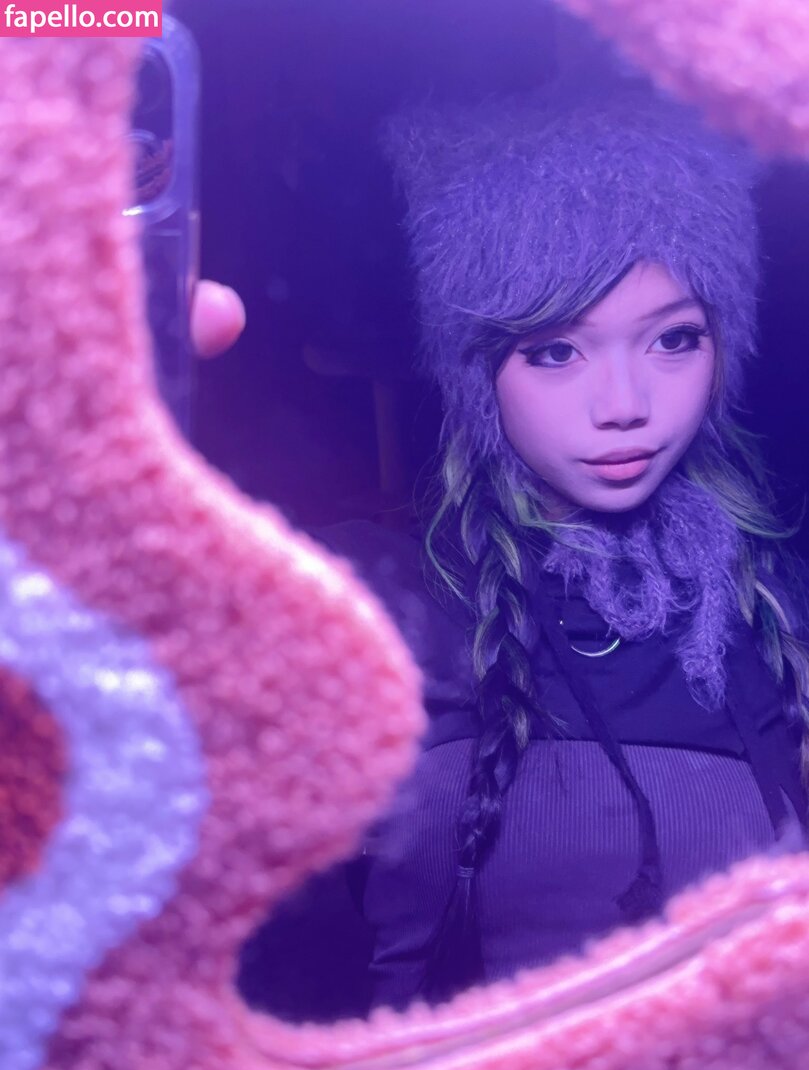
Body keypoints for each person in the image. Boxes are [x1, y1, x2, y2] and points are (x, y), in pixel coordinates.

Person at [287, 79, 809, 1015]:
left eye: (673, 340)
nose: (624, 406)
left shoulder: (778, 605)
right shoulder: (375, 600)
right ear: (475, 375)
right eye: (555, 351)